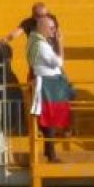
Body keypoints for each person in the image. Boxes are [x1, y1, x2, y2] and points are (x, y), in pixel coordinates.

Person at [27, 13, 72, 160]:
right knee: (50, 119)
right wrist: (60, 43)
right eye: (51, 28)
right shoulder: (42, 45)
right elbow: (58, 62)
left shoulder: (36, 41)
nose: (54, 30)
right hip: (48, 84)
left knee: (49, 119)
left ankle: (49, 150)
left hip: (47, 83)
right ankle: (51, 154)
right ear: (43, 28)